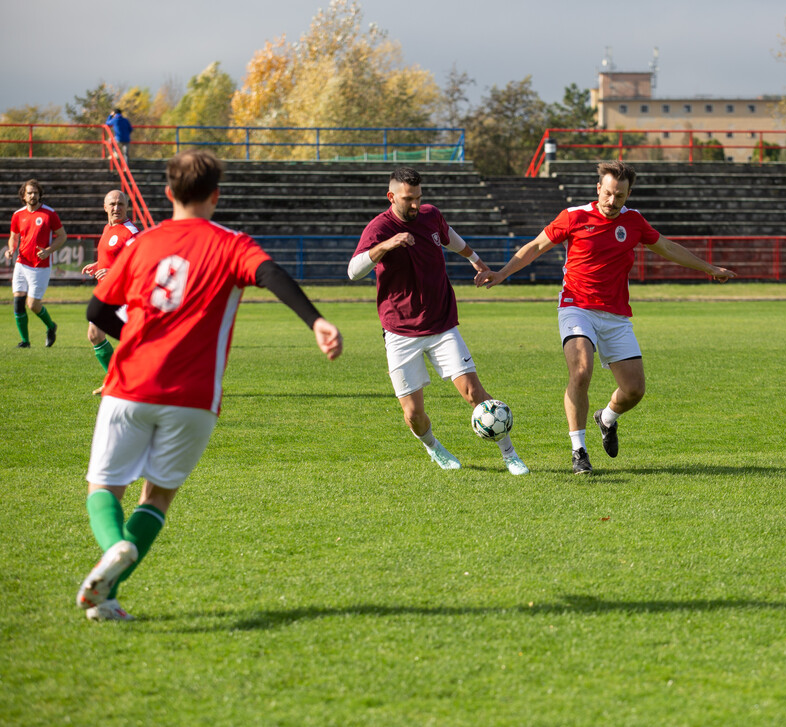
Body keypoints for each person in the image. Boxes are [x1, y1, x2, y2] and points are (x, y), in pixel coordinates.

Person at [76, 150, 343, 622]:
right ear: (215, 195)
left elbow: (96, 311)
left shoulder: (142, 243)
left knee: (105, 486)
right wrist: (316, 321)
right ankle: (107, 595)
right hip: (193, 398)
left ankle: (114, 546)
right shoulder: (232, 244)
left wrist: (136, 338)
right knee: (156, 498)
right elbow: (271, 274)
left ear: (167, 193)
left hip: (129, 385)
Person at [475, 160, 736, 474]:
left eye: (620, 196)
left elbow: (667, 248)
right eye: (608, 194)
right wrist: (502, 273)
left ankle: (607, 418)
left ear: (628, 195)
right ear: (598, 188)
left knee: (634, 390)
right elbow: (536, 246)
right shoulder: (574, 216)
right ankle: (579, 451)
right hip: (576, 306)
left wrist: (710, 269)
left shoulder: (634, 221)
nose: (612, 201)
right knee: (581, 370)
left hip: (616, 315)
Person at [348, 167, 529, 476]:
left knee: (475, 394)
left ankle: (510, 454)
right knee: (413, 414)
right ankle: (433, 447)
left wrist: (476, 260)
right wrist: (386, 246)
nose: (415, 204)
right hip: (400, 331)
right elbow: (353, 271)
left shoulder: (430, 215)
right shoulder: (379, 228)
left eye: (418, 197)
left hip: (441, 324)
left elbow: (450, 238)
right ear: (391, 197)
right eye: (408, 199)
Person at [81, 190, 140, 394]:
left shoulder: (131, 233)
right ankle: (114, 380)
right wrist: (98, 265)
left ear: (127, 207)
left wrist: (113, 272)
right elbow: (115, 257)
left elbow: (139, 264)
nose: (116, 208)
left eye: (120, 204)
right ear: (105, 207)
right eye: (112, 204)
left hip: (125, 295)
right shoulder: (108, 228)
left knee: (137, 344)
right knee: (95, 334)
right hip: (108, 294)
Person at [6, 179, 67, 348]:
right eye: (29, 193)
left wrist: (48, 250)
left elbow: (62, 236)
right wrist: (11, 249)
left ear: (40, 195)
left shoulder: (49, 214)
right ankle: (25, 342)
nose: (33, 195)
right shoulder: (18, 215)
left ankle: (51, 326)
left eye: (35, 192)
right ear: (23, 196)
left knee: (32, 305)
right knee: (18, 301)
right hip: (21, 262)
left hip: (40, 266)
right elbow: (14, 237)